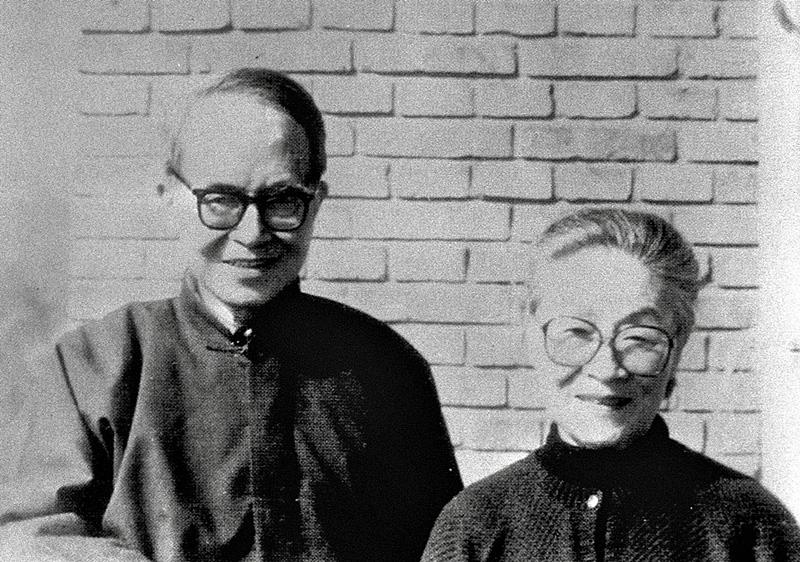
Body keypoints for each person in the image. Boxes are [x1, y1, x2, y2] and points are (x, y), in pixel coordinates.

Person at [0, 68, 462, 561]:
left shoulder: (388, 369)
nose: (252, 233)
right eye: (220, 200)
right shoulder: (92, 365)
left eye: (283, 200)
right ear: (170, 199)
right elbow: (33, 539)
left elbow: (445, 548)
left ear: (316, 204)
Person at [422, 208, 800, 561]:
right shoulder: (474, 525)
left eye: (640, 338)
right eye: (577, 332)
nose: (607, 369)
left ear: (678, 346)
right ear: (533, 338)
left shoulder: (753, 524)